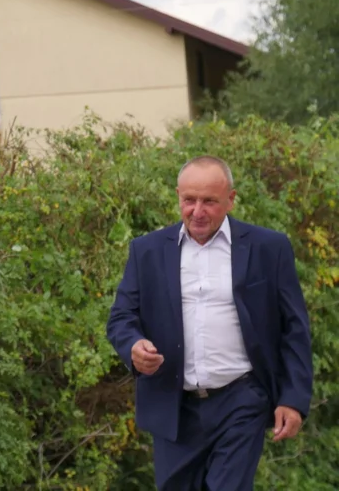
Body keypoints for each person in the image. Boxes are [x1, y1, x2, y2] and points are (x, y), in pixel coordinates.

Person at [106, 155, 313, 489]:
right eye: (189, 200)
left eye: (209, 201)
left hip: (241, 400)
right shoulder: (146, 251)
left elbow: (295, 328)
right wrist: (133, 346)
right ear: (178, 196)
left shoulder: (268, 248)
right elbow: (121, 317)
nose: (197, 211)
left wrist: (293, 398)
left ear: (230, 200)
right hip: (174, 405)